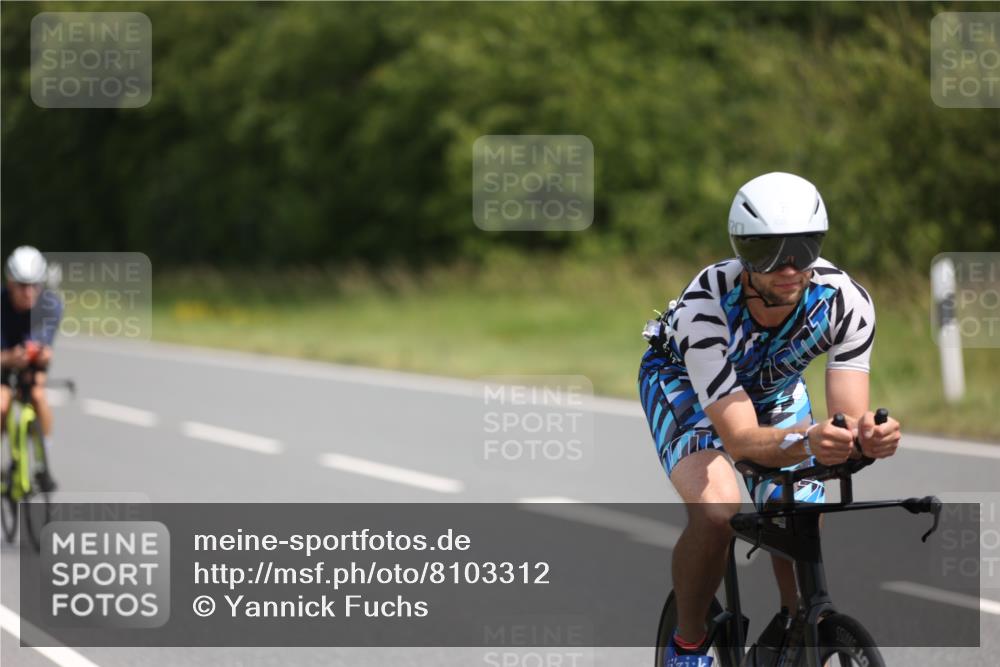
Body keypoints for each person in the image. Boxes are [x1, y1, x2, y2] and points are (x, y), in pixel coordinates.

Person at [638, 173, 901, 666]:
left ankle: (793, 625)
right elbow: (738, 440)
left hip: (774, 393)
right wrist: (808, 440)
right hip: (687, 388)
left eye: (804, 247)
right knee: (718, 511)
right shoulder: (705, 306)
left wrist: (870, 435)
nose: (790, 265)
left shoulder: (845, 302)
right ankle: (687, 645)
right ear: (743, 250)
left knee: (800, 509)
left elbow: (847, 417)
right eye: (769, 251)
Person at [1, 246, 63, 491]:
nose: (29, 292)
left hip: (32, 363)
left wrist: (43, 356)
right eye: (22, 285)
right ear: (10, 282)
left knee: (38, 395)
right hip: (4, 362)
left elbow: (45, 349)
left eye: (34, 285)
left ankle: (42, 462)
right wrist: (8, 359)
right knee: (2, 403)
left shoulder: (50, 306)